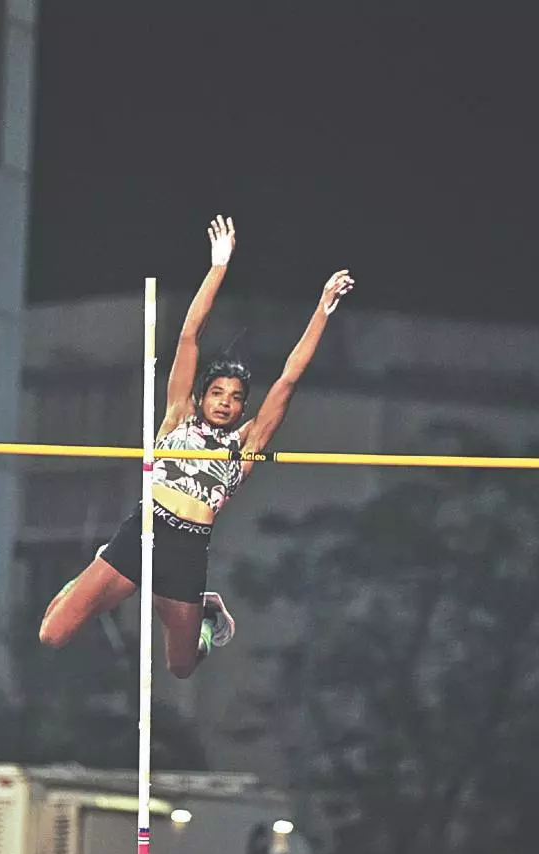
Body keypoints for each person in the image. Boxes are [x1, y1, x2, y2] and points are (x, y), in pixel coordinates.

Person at [38, 215, 354, 679]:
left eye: (235, 398)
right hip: (143, 532)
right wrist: (218, 267)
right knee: (52, 633)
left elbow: (289, 378)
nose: (225, 402)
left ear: (242, 407)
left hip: (187, 553)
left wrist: (322, 311)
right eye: (217, 393)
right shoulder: (176, 417)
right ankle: (90, 575)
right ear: (202, 397)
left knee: (182, 666)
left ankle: (207, 616)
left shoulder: (246, 445)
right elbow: (190, 336)